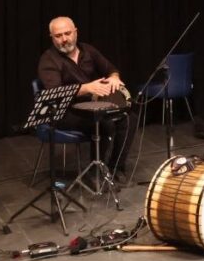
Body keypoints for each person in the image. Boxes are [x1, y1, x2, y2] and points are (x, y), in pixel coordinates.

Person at [38, 16, 133, 178]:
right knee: (106, 124)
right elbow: (54, 92)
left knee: (130, 118)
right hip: (65, 112)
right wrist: (86, 88)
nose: (64, 39)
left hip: (90, 106)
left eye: (67, 33)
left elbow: (110, 68)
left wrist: (114, 77)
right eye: (58, 36)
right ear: (52, 38)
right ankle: (97, 172)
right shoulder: (48, 60)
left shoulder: (88, 50)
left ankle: (116, 167)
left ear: (75, 32)